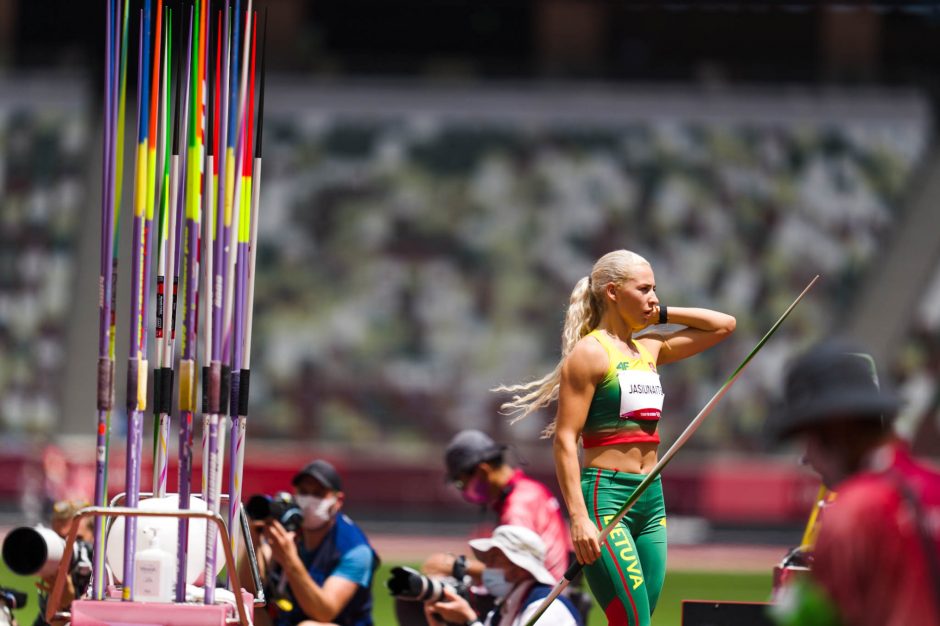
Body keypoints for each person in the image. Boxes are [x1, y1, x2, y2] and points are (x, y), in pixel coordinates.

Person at [497, 249, 736, 626]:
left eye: (654, 289)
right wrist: (578, 518)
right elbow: (564, 439)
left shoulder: (650, 347)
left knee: (635, 619)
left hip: (650, 498)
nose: (653, 297)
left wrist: (659, 313)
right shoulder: (590, 354)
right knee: (635, 621)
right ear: (612, 292)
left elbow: (724, 325)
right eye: (643, 289)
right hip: (605, 499)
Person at [768, 339, 940, 626]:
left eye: (808, 439)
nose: (807, 457)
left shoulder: (851, 514)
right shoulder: (933, 486)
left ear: (835, 430)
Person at [250, 459, 378, 626]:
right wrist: (254, 539)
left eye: (318, 493)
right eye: (303, 492)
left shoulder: (355, 548)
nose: (309, 500)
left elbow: (324, 613)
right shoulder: (289, 527)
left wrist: (290, 561)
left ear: (338, 501)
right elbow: (249, 591)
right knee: (249, 612)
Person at [423, 525, 583, 626]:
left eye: (494, 560)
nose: (487, 567)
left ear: (519, 568)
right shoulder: (503, 609)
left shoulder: (546, 609)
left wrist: (470, 620)